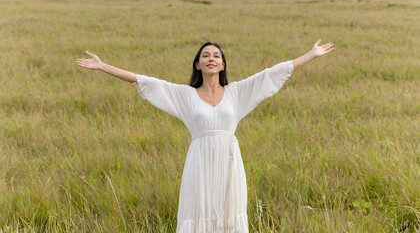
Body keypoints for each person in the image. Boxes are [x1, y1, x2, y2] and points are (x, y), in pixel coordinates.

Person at [75, 39, 334, 232]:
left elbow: (272, 74)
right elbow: (145, 82)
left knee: (229, 216)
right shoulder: (185, 96)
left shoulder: (236, 92)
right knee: (198, 214)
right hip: (199, 164)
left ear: (222, 65)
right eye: (205, 55)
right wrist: (103, 66)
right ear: (198, 64)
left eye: (216, 56)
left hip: (229, 164)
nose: (211, 58)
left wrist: (310, 55)